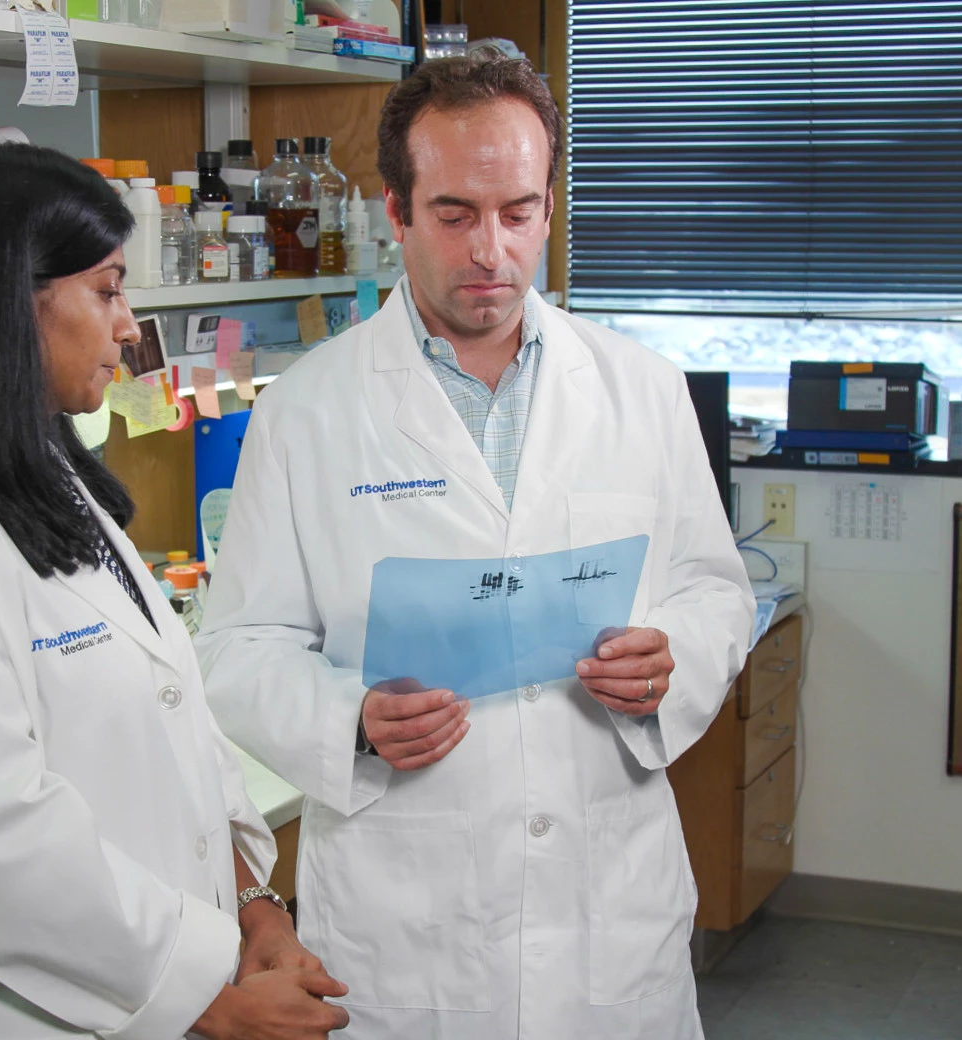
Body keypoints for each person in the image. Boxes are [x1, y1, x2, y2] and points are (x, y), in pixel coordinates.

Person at [196, 57, 755, 1039]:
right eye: (454, 215)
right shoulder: (309, 410)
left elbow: (714, 591)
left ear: (548, 208)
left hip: (605, 901)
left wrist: (670, 657)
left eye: (517, 212)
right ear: (396, 211)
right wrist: (351, 719)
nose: (490, 250)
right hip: (406, 916)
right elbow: (240, 644)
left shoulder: (641, 389)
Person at [0, 143, 350, 1040]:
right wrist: (205, 1001)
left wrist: (254, 908)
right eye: (106, 290)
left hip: (161, 987)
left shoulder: (49, 488)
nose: (128, 326)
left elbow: (176, 732)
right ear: (10, 304)